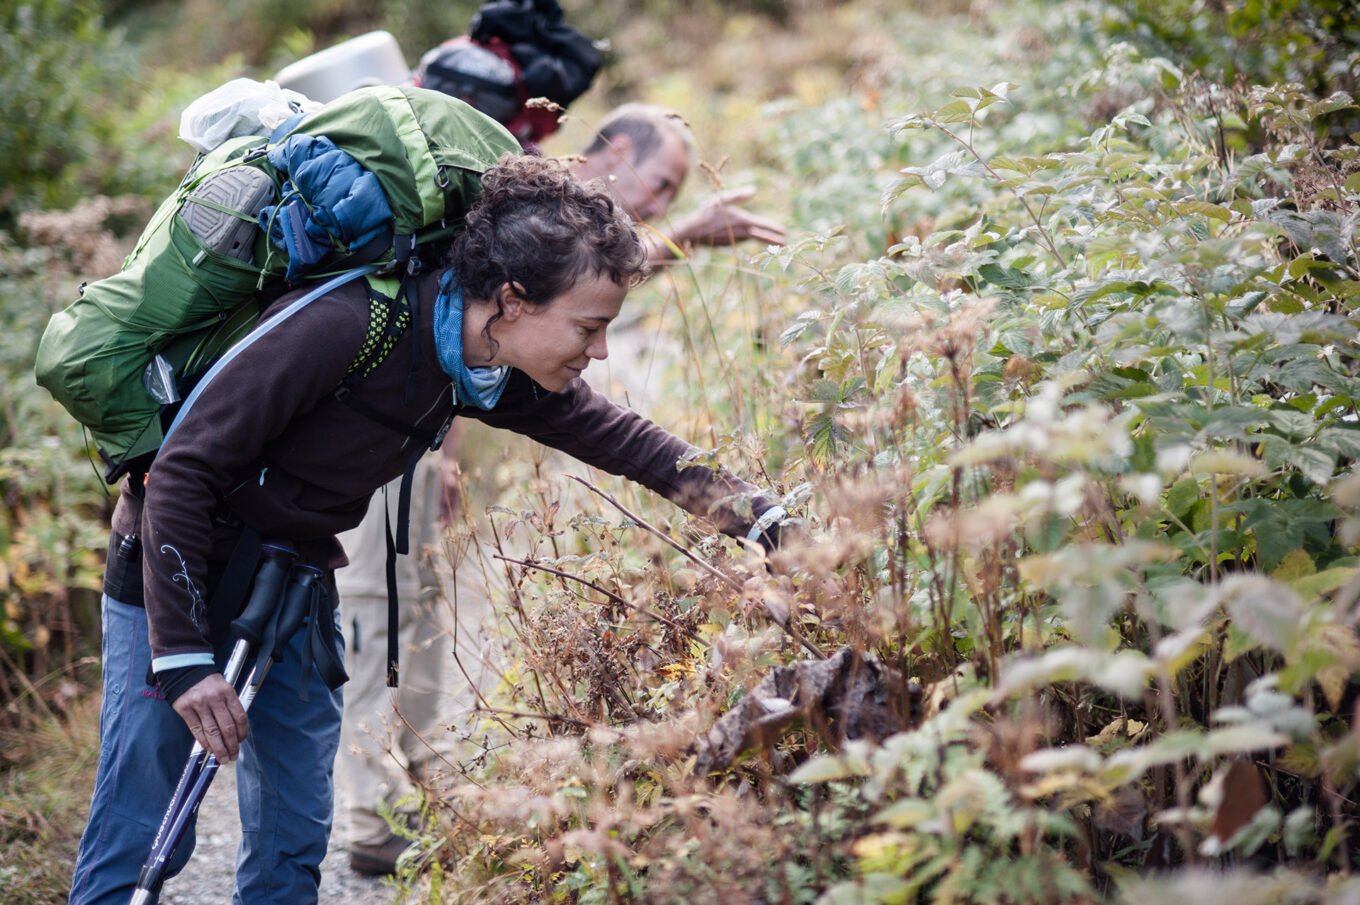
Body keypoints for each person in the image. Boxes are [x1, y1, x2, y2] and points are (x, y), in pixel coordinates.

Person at [68, 154, 788, 904]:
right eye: (589, 326)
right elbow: (181, 467)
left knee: (293, 833)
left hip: (296, 581)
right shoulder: (344, 324)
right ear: (511, 301)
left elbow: (630, 443)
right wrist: (183, 657)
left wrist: (763, 518)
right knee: (142, 828)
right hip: (178, 573)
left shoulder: (479, 366)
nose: (599, 350)